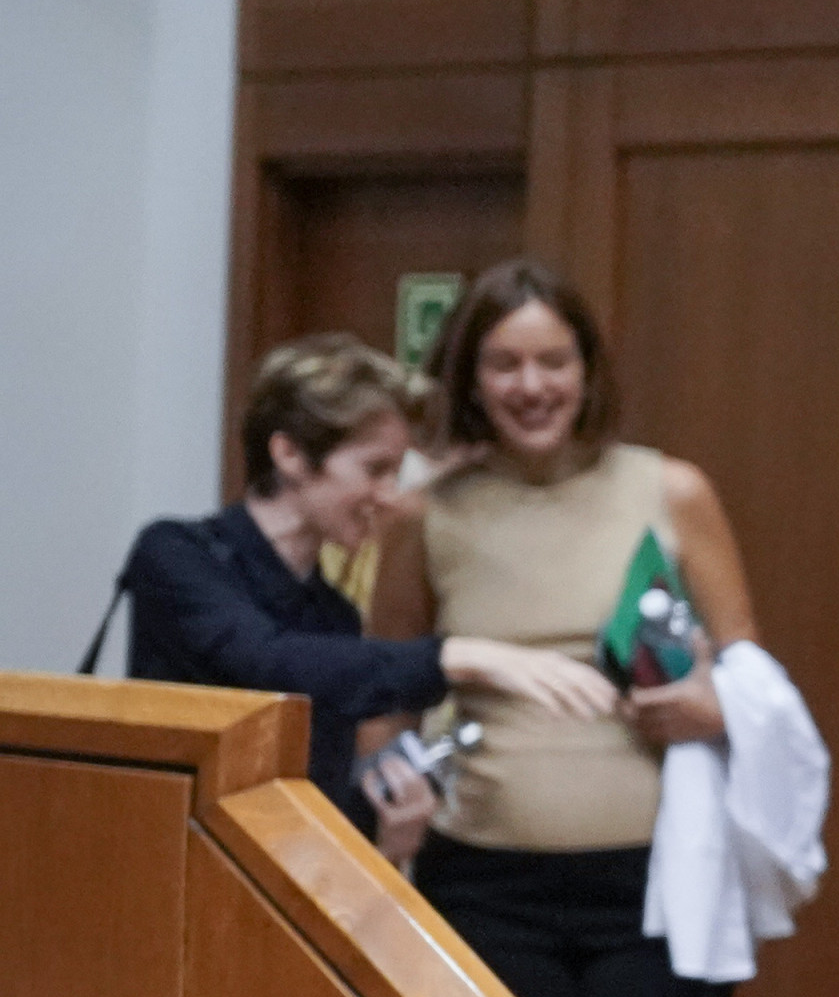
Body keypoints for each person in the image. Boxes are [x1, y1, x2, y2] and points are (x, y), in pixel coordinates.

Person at [368, 260, 768, 997]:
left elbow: (750, 675)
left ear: (588, 369)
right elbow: (384, 688)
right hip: (484, 888)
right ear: (470, 376)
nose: (532, 386)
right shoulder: (429, 511)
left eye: (553, 361)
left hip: (656, 894)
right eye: (505, 364)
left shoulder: (671, 491)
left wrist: (705, 705)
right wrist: (389, 818)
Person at [116, 336, 613, 861]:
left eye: (395, 472)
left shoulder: (333, 615)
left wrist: (387, 825)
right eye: (374, 469)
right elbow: (265, 663)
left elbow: (312, 797)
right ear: (288, 454)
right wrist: (458, 656)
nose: (390, 495)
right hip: (165, 877)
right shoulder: (174, 553)